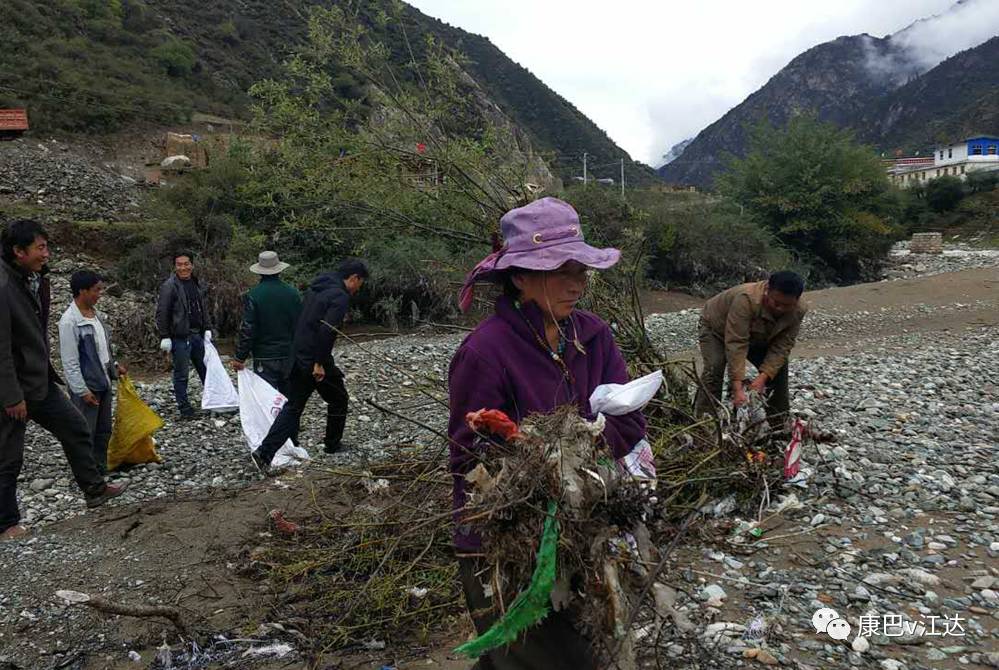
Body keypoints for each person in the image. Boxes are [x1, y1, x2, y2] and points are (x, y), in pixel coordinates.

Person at [447, 197, 647, 669]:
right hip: (505, 538)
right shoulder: (485, 353)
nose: (578, 283)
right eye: (563, 270)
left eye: (582, 271)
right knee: (528, 650)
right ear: (519, 276)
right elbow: (470, 459)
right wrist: (546, 463)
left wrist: (581, 455)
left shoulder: (594, 336)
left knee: (574, 645)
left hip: (584, 524)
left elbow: (631, 419)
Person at [0, 220, 127, 541]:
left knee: (75, 426)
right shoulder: (3, 287)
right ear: (18, 251)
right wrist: (11, 395)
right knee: (8, 456)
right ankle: (6, 524)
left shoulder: (31, 279)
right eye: (40, 248)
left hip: (38, 380)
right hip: (12, 387)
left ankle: (95, 489)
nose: (47, 254)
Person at [251, 258, 368, 471]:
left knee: (294, 407)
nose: (359, 288)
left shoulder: (317, 288)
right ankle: (332, 445)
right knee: (339, 398)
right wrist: (320, 363)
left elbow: (304, 321)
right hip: (314, 358)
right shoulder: (339, 296)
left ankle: (264, 452)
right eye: (360, 283)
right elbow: (327, 330)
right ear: (354, 278)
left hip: (298, 353)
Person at [694, 270, 808, 427]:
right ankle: (704, 421)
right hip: (716, 329)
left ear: (797, 299)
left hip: (759, 335)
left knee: (778, 370)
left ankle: (779, 424)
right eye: (776, 303)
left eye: (787, 305)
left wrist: (762, 378)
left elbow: (783, 346)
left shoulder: (799, 310)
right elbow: (736, 343)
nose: (780, 309)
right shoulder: (746, 299)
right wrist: (737, 387)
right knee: (715, 367)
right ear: (767, 290)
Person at [58, 270, 127, 476]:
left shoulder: (95, 316)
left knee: (103, 429)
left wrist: (114, 367)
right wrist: (81, 390)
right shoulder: (70, 321)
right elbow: (70, 361)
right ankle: (84, 473)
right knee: (85, 430)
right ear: (83, 291)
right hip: (88, 385)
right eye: (97, 290)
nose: (100, 294)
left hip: (103, 380)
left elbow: (101, 349)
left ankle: (99, 467)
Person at [231, 251, 302, 392]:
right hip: (289, 354)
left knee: (267, 398)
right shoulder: (293, 293)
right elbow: (300, 325)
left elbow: (248, 329)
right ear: (279, 270)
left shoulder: (253, 295)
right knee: (288, 399)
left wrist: (240, 357)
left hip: (265, 356)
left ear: (260, 272)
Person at [156, 251, 212, 419]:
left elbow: (202, 308)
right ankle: (185, 409)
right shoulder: (169, 286)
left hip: (197, 335)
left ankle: (213, 401)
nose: (183, 267)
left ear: (192, 265)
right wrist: (164, 335)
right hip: (180, 337)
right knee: (181, 374)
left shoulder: (196, 283)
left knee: (206, 370)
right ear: (175, 266)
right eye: (179, 264)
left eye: (186, 264)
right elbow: (162, 312)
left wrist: (207, 327)